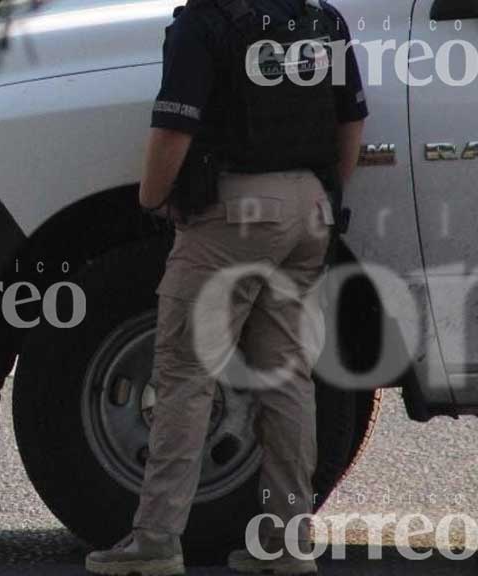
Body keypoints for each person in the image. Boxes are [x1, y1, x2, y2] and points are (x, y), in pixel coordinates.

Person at [85, 0, 367, 574]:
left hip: (233, 215)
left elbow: (174, 128)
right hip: (309, 210)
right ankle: (288, 544)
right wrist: (322, 192)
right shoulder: (321, 17)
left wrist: (152, 197)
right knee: (288, 377)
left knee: (186, 375)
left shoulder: (204, 22)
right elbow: (351, 120)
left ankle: (157, 540)